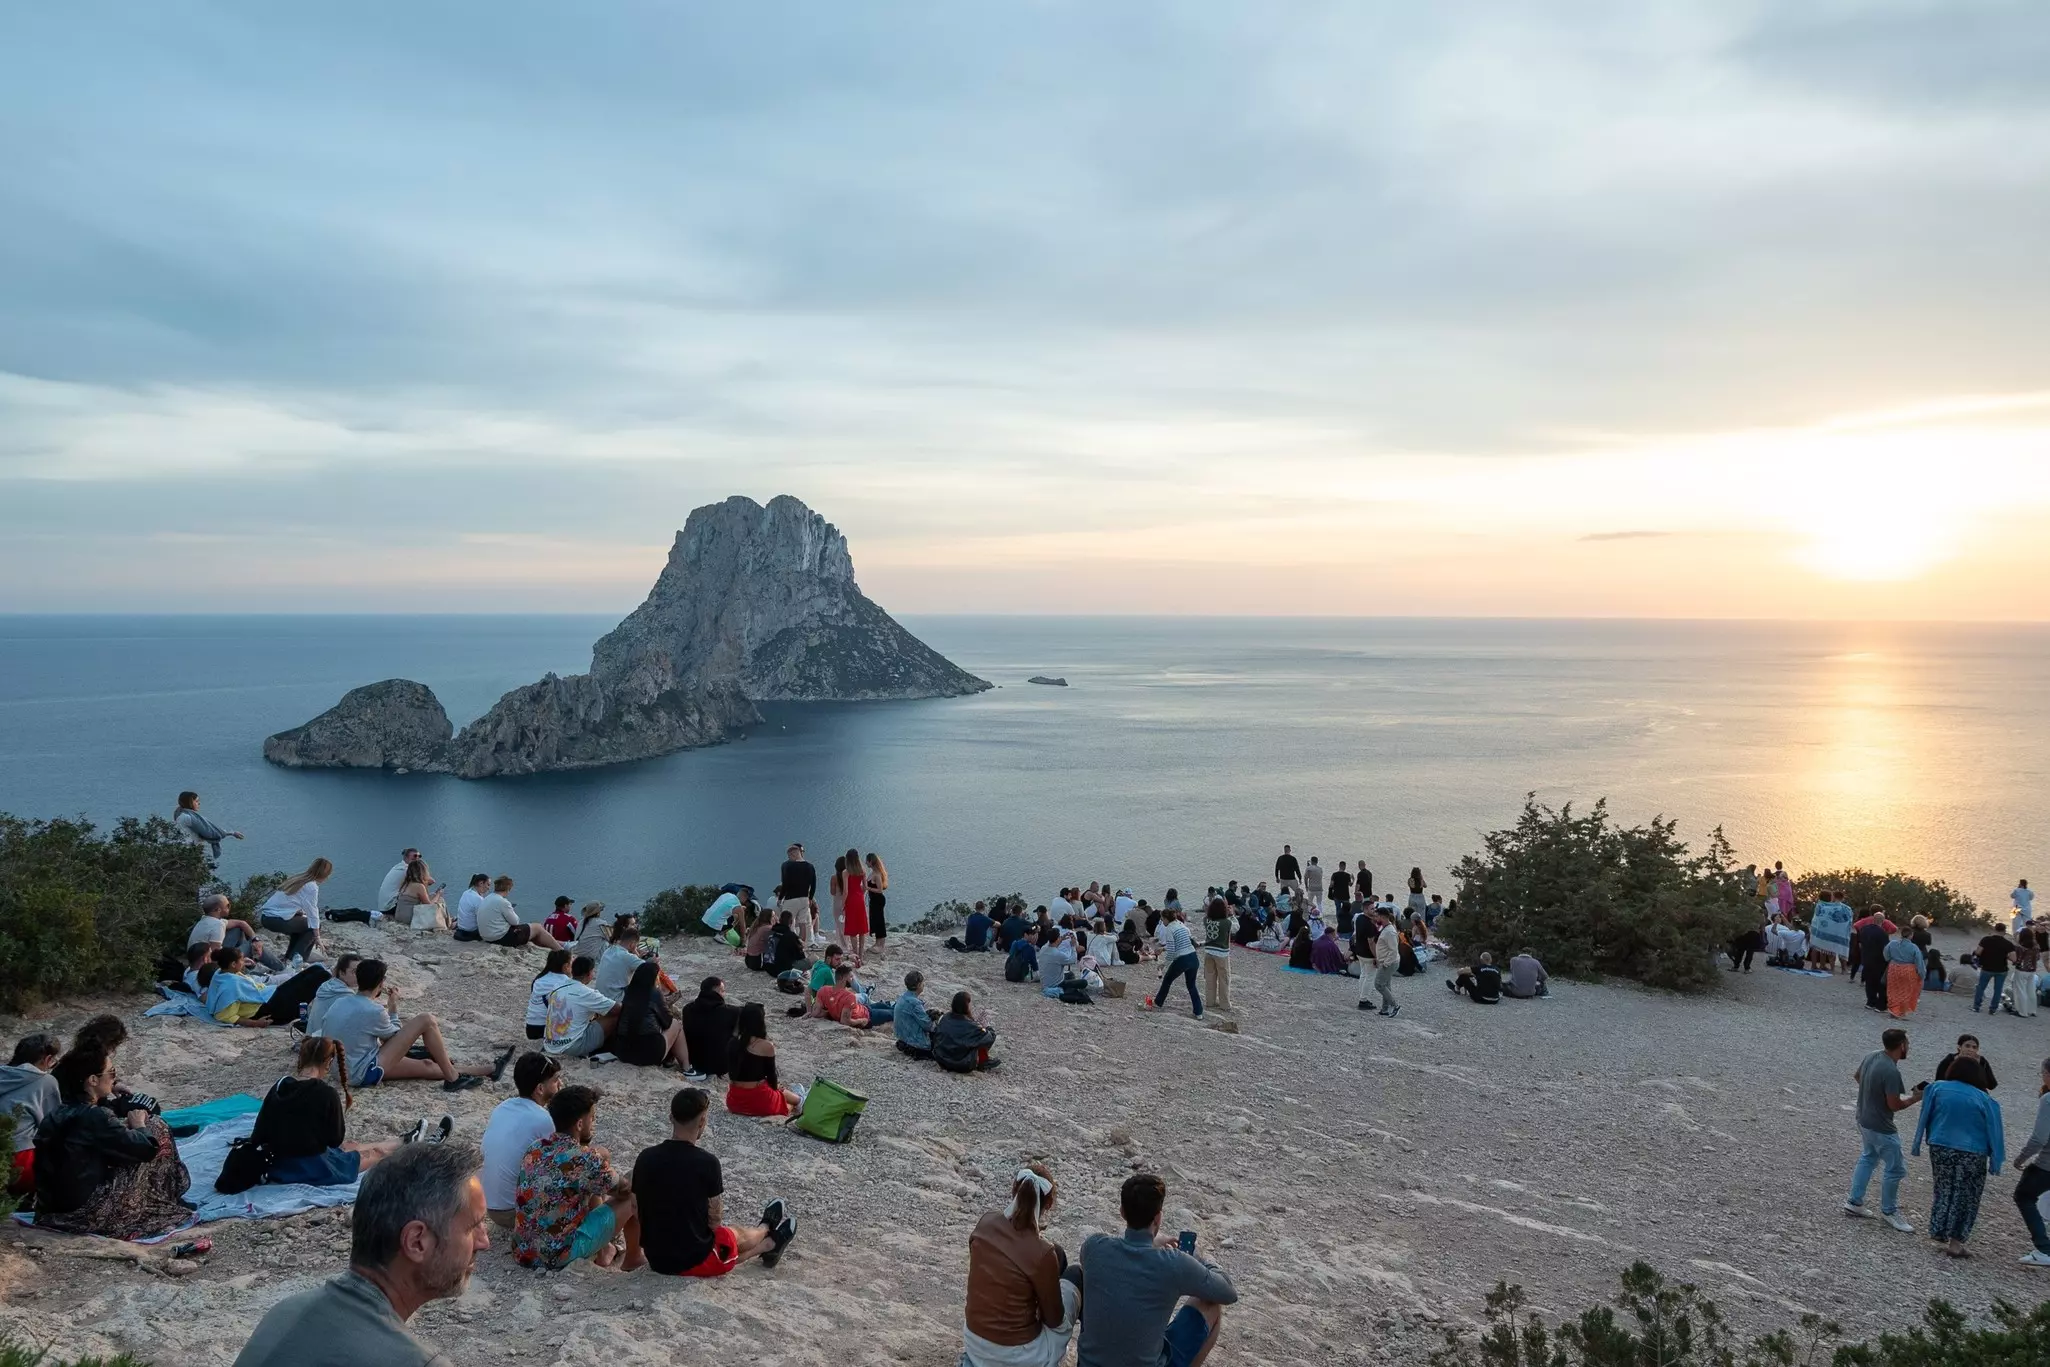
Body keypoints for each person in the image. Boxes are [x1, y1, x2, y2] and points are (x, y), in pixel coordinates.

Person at [231, 1142, 489, 1367]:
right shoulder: (416, 1362)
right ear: (417, 1242)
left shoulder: (285, 1313)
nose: (484, 1241)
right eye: (473, 1226)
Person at [633, 1086, 796, 1277]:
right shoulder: (707, 1163)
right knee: (731, 1236)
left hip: (656, 1256)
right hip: (691, 1260)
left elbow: (636, 1208)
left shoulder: (645, 1157)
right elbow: (714, 1222)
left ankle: (766, 1235)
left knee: (726, 1236)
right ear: (702, 1121)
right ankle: (767, 1237)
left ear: (671, 1117)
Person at [1078, 1173, 1236, 1367]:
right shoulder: (1174, 1263)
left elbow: (1118, 1257)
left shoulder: (1094, 1247)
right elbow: (1228, 1293)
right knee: (1210, 1304)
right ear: (1158, 1217)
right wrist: (1198, 1259)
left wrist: (1150, 1241)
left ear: (1122, 1211)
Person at [32, 1047, 191, 1238]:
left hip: (51, 1207)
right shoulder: (95, 1117)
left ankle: (165, 1194)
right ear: (92, 1080)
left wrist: (110, 1098)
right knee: (156, 1127)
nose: (114, 1079)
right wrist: (139, 1125)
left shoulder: (58, 1111)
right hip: (87, 1211)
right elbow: (146, 1148)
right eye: (111, 1073)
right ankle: (170, 1194)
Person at [510, 1084, 642, 1271]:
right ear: (580, 1124)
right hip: (558, 1255)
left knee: (593, 1178)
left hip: (524, 1251)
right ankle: (633, 1257)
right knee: (634, 1192)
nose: (593, 1124)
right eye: (592, 1119)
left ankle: (604, 1250)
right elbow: (624, 1190)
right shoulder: (584, 1160)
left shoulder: (536, 1148)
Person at [324, 959, 511, 1091]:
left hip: (341, 1070)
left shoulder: (340, 1002)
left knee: (427, 1064)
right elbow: (395, 1039)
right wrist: (393, 1007)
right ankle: (453, 1079)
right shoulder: (372, 1010)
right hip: (361, 1072)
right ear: (381, 984)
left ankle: (489, 1070)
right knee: (426, 1019)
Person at [249, 1038, 413, 1186]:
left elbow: (258, 1133)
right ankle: (406, 1145)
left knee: (351, 1148)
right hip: (311, 1168)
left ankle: (403, 1140)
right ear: (329, 1062)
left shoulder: (280, 1085)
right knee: (373, 1154)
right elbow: (335, 1140)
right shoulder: (326, 1093)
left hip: (276, 1163)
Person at [964, 1163, 1080, 1367]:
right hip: (1015, 1356)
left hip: (975, 1342)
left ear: (1013, 1190)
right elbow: (1054, 1320)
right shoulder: (1042, 1252)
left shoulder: (986, 1222)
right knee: (1075, 1276)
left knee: (1057, 1255)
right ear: (1049, 1204)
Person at [1910, 1056, 2005, 1258]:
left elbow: (1926, 1115)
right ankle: (1956, 1242)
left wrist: (1919, 1141)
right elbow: (1994, 1131)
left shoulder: (1937, 1088)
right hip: (1973, 1151)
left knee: (1943, 1189)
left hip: (1940, 1145)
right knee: (1967, 1197)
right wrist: (1996, 1159)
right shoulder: (1985, 1099)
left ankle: (1939, 1229)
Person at [1845, 1027, 1925, 1232]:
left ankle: (1855, 1202)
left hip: (1863, 1119)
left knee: (1869, 1157)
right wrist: (1916, 1098)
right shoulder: (1890, 1070)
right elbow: (1894, 1105)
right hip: (1881, 1126)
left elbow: (1857, 1076)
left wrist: (1872, 1093)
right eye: (1907, 1043)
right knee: (1895, 1168)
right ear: (1901, 1045)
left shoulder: (1872, 1055)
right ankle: (1889, 1211)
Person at [481, 1053, 561, 1229]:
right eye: (555, 1081)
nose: (560, 1085)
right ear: (540, 1089)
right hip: (514, 1213)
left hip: (489, 1206)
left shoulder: (503, 1107)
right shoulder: (543, 1119)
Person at [199, 946, 329, 1027]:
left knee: (316, 969)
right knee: (320, 976)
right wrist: (256, 1023)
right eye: (241, 960)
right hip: (269, 1009)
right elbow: (228, 1016)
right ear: (233, 964)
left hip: (268, 995)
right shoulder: (229, 987)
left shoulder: (221, 972)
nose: (243, 962)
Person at [0, 1033, 60, 1194]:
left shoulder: (3, 1074)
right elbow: (53, 1125)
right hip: (20, 1161)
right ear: (47, 1059)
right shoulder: (45, 1081)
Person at [727, 1003, 804, 1115]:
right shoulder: (766, 1046)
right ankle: (799, 1101)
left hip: (735, 1101)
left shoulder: (732, 1042)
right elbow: (772, 1076)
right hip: (758, 1099)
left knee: (776, 1090)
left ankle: (799, 1098)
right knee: (783, 1098)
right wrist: (775, 1086)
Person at [2012, 1054, 2050, 1266]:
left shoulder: (2048, 1099)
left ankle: (2044, 1248)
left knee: (2024, 1196)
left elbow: (2039, 1138)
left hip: (2047, 1164)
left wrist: (2021, 1158)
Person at [613, 961, 688, 1068]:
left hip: (623, 1052)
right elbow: (667, 1022)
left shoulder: (628, 991)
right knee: (676, 1024)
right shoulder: (654, 993)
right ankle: (687, 1067)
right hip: (648, 1054)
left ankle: (669, 1060)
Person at [542, 955, 618, 1059]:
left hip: (550, 1043)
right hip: (571, 1046)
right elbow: (617, 1009)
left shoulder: (557, 986)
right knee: (615, 1016)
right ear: (589, 974)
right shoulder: (586, 993)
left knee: (594, 1013)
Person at [257, 858, 332, 963]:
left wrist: (297, 912)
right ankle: (296, 962)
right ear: (325, 875)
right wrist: (317, 937)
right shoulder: (312, 886)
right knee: (313, 926)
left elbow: (287, 902)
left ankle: (288, 959)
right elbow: (313, 912)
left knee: (302, 927)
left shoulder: (299, 879)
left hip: (266, 917)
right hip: (276, 920)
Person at [479, 875, 563, 951]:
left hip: (486, 937)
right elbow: (515, 922)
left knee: (529, 930)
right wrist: (511, 909)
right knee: (537, 927)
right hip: (500, 938)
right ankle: (560, 950)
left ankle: (550, 948)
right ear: (508, 889)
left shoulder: (487, 898)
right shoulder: (503, 902)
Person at [680, 977, 740, 1079]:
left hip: (694, 1062)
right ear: (718, 991)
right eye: (723, 991)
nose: (724, 994)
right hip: (721, 1066)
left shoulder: (687, 1009)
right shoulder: (733, 1012)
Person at [1146, 908, 1202, 1018]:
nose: (1161, 921)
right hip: (1193, 956)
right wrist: (1163, 949)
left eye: (1162, 919)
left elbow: (1172, 951)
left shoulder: (1169, 929)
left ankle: (1158, 1002)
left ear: (1166, 919)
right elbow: (1180, 943)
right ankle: (1198, 1012)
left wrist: (1164, 964)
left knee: (1167, 979)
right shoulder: (1180, 925)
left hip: (1182, 959)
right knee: (1191, 985)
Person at [933, 991, 1000, 1073]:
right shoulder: (970, 1026)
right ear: (966, 1005)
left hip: (941, 1059)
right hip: (962, 1064)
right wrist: (985, 1026)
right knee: (984, 1037)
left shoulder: (945, 1018)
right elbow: (990, 1037)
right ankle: (982, 1062)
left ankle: (982, 1060)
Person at [522, 950, 575, 1042]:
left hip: (531, 1028)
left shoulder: (539, 979)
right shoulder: (565, 983)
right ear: (566, 966)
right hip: (546, 1030)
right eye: (571, 963)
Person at [174, 790, 244, 858]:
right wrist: (231, 833)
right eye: (196, 801)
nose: (199, 803)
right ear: (189, 803)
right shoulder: (188, 817)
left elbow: (208, 829)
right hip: (190, 852)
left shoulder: (181, 814)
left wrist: (231, 833)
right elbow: (209, 832)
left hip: (186, 849)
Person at [1358, 914, 1400, 1018]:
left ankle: (1395, 1005)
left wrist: (1385, 963)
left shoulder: (1389, 931)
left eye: (1378, 917)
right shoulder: (1384, 928)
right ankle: (1384, 1009)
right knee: (1386, 985)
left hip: (1388, 962)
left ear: (1384, 917)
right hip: (1386, 961)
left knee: (1379, 984)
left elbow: (1393, 950)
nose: (1376, 919)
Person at [1972, 925, 2019, 1014]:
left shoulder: (1986, 940)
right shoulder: (2008, 944)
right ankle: (1993, 1009)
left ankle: (1976, 1006)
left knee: (1981, 987)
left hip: (1987, 967)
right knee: (1998, 989)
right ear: (2004, 931)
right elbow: (2014, 959)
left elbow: (1978, 952)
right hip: (2001, 969)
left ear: (1995, 929)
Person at [778, 842, 818, 945]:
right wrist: (810, 898)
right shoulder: (810, 866)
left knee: (788, 922)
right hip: (804, 898)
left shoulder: (789, 866)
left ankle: (789, 943)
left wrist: (780, 898)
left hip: (791, 898)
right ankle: (802, 945)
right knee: (803, 923)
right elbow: (813, 884)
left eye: (789, 855)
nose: (789, 858)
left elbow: (785, 884)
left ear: (793, 854)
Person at [1883, 926, 1926, 1019]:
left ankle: (1893, 1009)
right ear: (1911, 935)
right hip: (1908, 969)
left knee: (1893, 989)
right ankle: (1902, 1011)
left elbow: (1886, 953)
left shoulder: (1892, 943)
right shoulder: (1914, 947)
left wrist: (1890, 960)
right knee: (1906, 991)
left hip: (1894, 968)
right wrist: (1922, 974)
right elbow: (1919, 961)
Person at [393, 858, 445, 932]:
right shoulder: (419, 886)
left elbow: (420, 899)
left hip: (399, 916)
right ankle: (448, 924)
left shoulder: (405, 883)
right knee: (440, 900)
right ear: (423, 872)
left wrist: (428, 885)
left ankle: (448, 921)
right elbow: (428, 905)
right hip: (409, 918)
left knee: (433, 895)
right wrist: (439, 894)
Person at [596, 922, 647, 998]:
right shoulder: (627, 957)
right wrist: (653, 960)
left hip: (600, 996)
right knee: (649, 987)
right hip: (616, 998)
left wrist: (636, 954)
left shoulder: (608, 951)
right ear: (632, 944)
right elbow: (648, 969)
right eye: (636, 945)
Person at [893, 970, 936, 1059]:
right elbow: (928, 1026)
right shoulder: (915, 1003)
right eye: (922, 983)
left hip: (902, 1039)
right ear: (918, 985)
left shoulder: (903, 997)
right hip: (915, 1044)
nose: (924, 984)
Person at [1199, 898, 1233, 1010]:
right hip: (1221, 953)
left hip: (1208, 951)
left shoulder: (1206, 920)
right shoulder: (1227, 922)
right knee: (1224, 979)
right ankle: (1225, 1004)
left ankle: (1210, 1001)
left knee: (1210, 978)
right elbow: (1236, 928)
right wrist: (1232, 914)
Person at [814, 964, 872, 1028]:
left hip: (863, 1008)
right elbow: (845, 1021)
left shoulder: (823, 990)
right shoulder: (849, 996)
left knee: (881, 1004)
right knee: (883, 1009)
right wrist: (861, 1021)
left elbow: (816, 1013)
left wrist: (829, 1013)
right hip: (866, 1015)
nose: (853, 980)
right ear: (843, 978)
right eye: (851, 977)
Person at [2010, 922, 2044, 1018]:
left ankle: (2022, 1011)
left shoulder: (2020, 947)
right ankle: (2032, 1010)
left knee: (2020, 990)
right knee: (2031, 990)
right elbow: (2037, 958)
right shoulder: (2036, 946)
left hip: (2021, 970)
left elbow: (2017, 959)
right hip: (2032, 970)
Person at [377, 849, 423, 919]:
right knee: (418, 888)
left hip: (384, 907)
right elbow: (428, 881)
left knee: (414, 888)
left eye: (419, 856)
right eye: (415, 856)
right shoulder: (406, 870)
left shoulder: (398, 866)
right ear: (406, 857)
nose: (417, 858)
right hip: (389, 907)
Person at [865, 852, 890, 962]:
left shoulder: (877, 874)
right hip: (873, 900)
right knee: (874, 920)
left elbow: (880, 890)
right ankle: (877, 942)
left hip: (878, 900)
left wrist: (867, 888)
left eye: (867, 860)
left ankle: (881, 945)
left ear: (871, 861)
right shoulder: (872, 872)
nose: (866, 862)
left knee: (879, 920)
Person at [451, 874, 490, 942]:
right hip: (471, 932)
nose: (488, 888)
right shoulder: (479, 899)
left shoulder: (466, 893)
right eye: (488, 884)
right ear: (481, 883)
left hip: (461, 930)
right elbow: (483, 920)